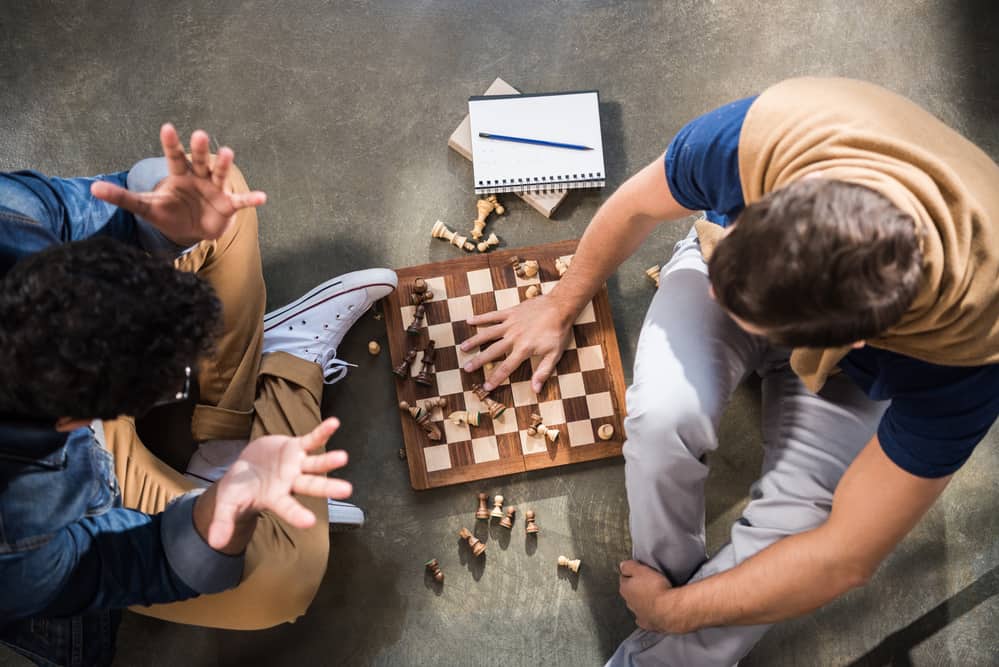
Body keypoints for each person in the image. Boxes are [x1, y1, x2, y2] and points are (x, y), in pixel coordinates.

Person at [459, 77, 999, 665]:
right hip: (781, 272)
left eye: (745, 314)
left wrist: (676, 613)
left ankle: (661, 642)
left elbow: (844, 558)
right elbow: (637, 204)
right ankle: (667, 602)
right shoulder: (762, 138)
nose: (714, 300)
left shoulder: (969, 358)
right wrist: (562, 302)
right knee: (661, 420)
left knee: (795, 526)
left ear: (848, 338)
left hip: (856, 378)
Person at [0, 124, 397, 666]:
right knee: (287, 579)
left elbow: (87, 212)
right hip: (65, 515)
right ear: (74, 420)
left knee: (221, 198)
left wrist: (159, 224)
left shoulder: (11, 219)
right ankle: (285, 369)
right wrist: (222, 511)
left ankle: (225, 440)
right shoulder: (20, 547)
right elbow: (136, 563)